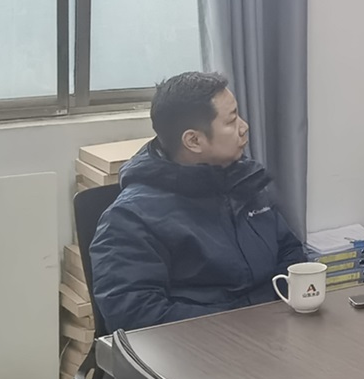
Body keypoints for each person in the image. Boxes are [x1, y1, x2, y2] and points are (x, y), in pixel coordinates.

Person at [91, 71, 302, 331]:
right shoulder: (131, 217)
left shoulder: (243, 183)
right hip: (197, 346)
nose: (244, 127)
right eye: (232, 120)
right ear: (193, 140)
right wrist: (241, 327)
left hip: (269, 333)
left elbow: (290, 251)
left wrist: (284, 309)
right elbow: (136, 313)